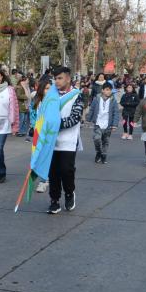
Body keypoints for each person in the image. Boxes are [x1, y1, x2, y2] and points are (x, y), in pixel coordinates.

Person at [47, 66, 84, 214]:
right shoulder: (50, 95)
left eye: (60, 78)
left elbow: (75, 118)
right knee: (53, 172)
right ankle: (54, 200)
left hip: (69, 140)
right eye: (55, 78)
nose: (57, 81)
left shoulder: (77, 95)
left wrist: (54, 124)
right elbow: (42, 114)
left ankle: (69, 193)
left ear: (68, 78)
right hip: (50, 141)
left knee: (66, 170)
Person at [86, 82, 119, 164]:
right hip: (98, 123)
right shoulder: (96, 99)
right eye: (107, 90)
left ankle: (104, 155)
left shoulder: (113, 101)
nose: (109, 92)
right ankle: (98, 152)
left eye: (110, 90)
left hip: (108, 124)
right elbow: (92, 109)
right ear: (103, 90)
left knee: (105, 141)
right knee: (96, 138)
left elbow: (116, 113)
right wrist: (88, 119)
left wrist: (114, 125)